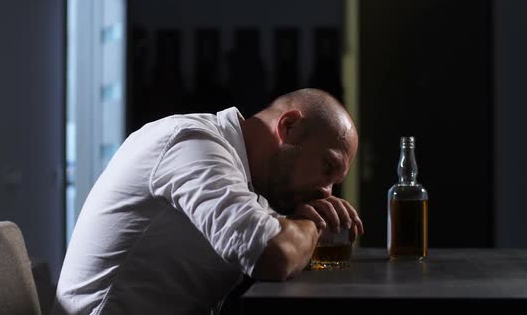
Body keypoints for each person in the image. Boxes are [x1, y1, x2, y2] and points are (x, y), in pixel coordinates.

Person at [52, 88, 364, 314]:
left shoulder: (252, 185)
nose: (327, 193)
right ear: (289, 126)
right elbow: (272, 254)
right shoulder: (192, 142)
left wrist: (295, 223)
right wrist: (311, 222)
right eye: (327, 167)